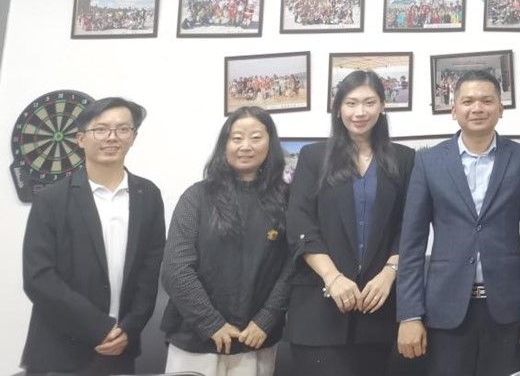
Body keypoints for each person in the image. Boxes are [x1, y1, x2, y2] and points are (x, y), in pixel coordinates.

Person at [396, 70, 520, 375]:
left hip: (509, 308)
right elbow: (412, 245)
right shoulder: (428, 162)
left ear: (501, 108)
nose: (477, 108)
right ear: (453, 109)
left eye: (487, 100)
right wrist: (409, 314)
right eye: (468, 101)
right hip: (444, 308)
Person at [21, 97, 166, 375]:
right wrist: (100, 327)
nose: (112, 137)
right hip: (60, 351)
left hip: (120, 348)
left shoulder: (148, 195)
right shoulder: (51, 198)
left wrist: (129, 328)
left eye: (122, 129)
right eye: (100, 129)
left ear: (133, 137)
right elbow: (38, 277)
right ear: (80, 138)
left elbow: (149, 273)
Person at [286, 70, 417, 374]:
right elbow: (299, 220)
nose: (360, 112)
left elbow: (411, 225)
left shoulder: (404, 159)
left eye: (369, 102)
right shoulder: (313, 156)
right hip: (319, 310)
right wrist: (332, 277)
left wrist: (389, 273)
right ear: (338, 109)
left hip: (379, 308)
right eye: (351, 103)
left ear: (382, 106)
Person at [161, 106, 293, 375]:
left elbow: (292, 267)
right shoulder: (196, 197)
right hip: (195, 340)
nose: (245, 146)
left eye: (256, 137)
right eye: (236, 138)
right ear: (224, 144)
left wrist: (267, 319)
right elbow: (176, 267)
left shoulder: (287, 199)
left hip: (255, 339)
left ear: (270, 143)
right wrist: (211, 323)